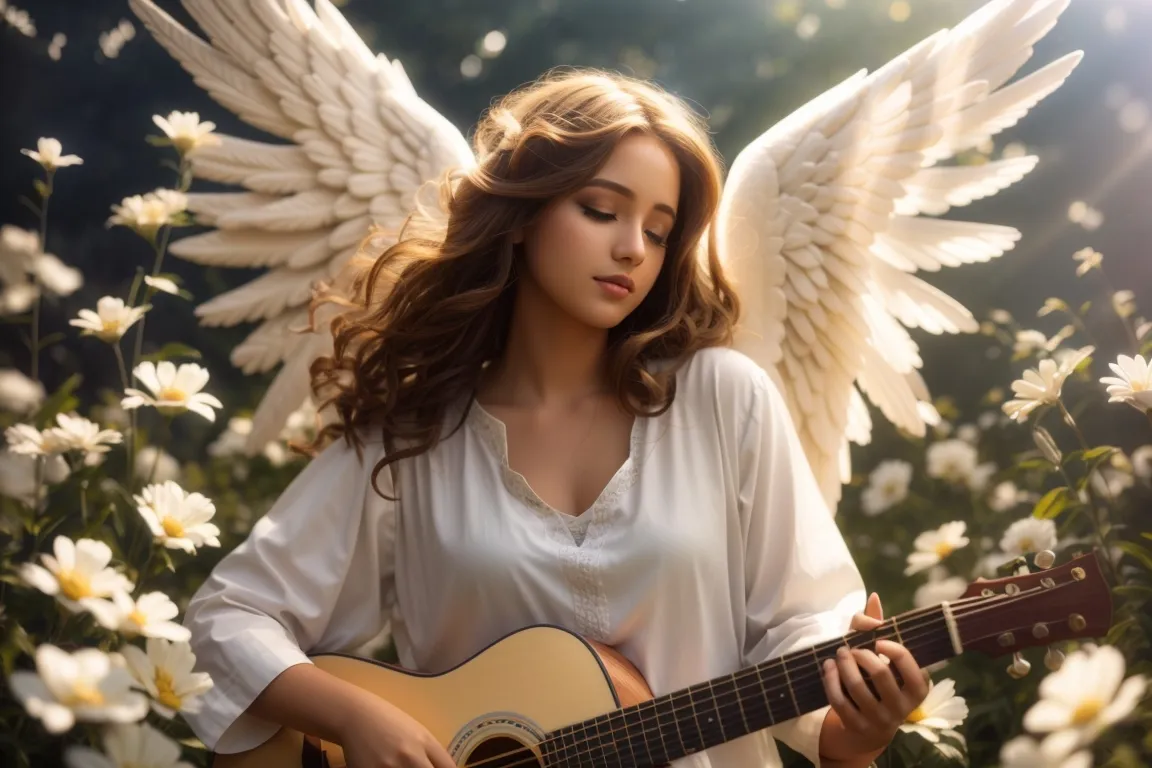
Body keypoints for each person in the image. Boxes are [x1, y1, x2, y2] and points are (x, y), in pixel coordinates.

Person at [182, 69, 930, 768]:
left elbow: (802, 623)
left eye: (660, 229)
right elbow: (230, 615)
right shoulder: (415, 437)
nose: (632, 248)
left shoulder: (723, 397)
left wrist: (855, 726)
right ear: (519, 216)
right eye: (601, 210)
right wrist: (354, 718)